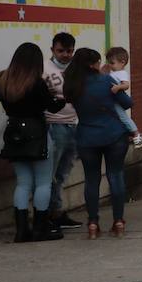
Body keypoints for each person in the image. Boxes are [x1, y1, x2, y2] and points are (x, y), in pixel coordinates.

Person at [0, 42, 68, 242]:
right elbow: (52, 107)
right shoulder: (36, 83)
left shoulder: (3, 79)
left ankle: (21, 231)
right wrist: (63, 97)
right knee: (43, 182)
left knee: (23, 183)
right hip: (37, 133)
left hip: (14, 134)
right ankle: (40, 229)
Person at [64, 48, 133, 239]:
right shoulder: (106, 80)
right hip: (114, 134)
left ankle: (93, 223)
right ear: (93, 64)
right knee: (116, 175)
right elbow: (127, 103)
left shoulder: (72, 84)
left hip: (87, 136)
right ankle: (118, 221)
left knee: (91, 179)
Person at [43, 32, 81, 230]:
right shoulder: (44, 69)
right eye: (61, 51)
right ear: (52, 50)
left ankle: (57, 211)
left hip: (74, 124)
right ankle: (47, 214)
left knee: (63, 173)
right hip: (54, 126)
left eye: (69, 51)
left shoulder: (76, 69)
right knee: (50, 173)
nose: (65, 55)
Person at [103, 46, 142, 150]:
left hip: (117, 101)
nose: (110, 65)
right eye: (109, 62)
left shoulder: (122, 73)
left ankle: (137, 134)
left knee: (123, 117)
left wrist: (118, 87)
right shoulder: (113, 72)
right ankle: (129, 133)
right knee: (118, 117)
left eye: (112, 63)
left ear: (122, 62)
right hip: (112, 100)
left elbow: (126, 85)